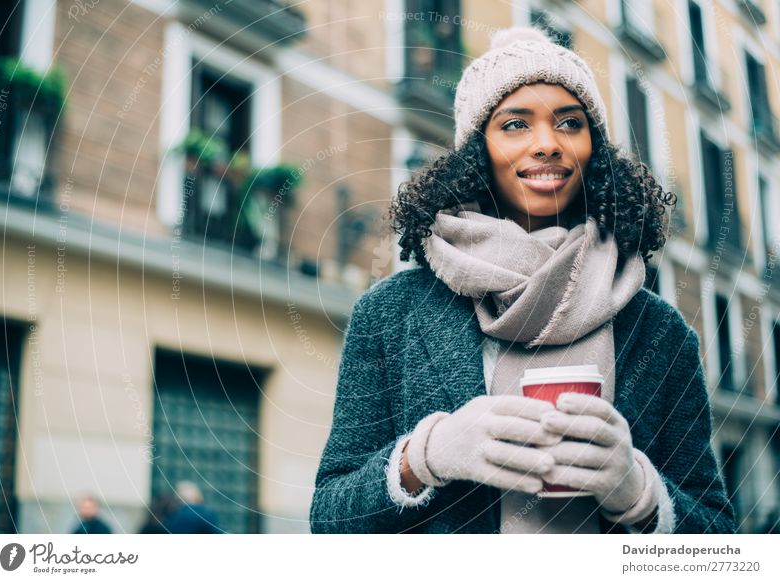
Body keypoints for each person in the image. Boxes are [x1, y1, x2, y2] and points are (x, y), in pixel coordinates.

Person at [310, 26, 736, 534]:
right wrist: (422, 458)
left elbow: (718, 543)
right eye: (515, 124)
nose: (547, 144)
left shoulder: (660, 333)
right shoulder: (389, 314)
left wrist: (641, 494)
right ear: (478, 150)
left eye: (569, 124)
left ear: (591, 149)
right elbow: (329, 518)